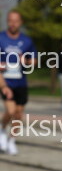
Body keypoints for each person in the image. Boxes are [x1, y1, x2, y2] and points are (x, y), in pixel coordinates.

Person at [0, 10, 37, 155]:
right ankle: (2, 130)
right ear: (7, 21)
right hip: (5, 81)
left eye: (16, 21)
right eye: (10, 20)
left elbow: (34, 61)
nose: (13, 24)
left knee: (18, 114)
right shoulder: (1, 38)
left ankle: (12, 140)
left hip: (21, 82)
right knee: (10, 111)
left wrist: (26, 61)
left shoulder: (27, 41)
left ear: (20, 22)